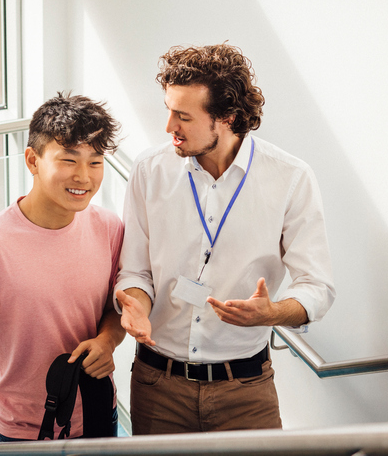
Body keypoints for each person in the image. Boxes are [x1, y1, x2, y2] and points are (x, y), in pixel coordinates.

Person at [115, 44, 336, 434]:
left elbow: (317, 287)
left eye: (183, 117)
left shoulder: (291, 178)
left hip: (245, 391)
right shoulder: (149, 171)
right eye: (168, 110)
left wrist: (273, 314)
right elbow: (135, 270)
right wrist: (135, 304)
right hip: (157, 385)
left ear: (228, 118)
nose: (169, 127)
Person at [0, 92, 125, 455]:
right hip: (25, 427)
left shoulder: (109, 227)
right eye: (69, 160)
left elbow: (115, 307)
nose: (84, 177)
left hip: (99, 408)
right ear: (32, 161)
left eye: (95, 162)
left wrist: (107, 341)